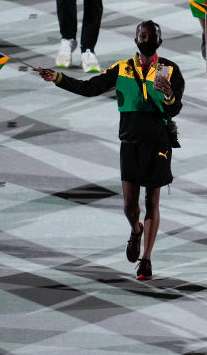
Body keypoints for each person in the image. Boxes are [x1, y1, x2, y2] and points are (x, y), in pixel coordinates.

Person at [35, 21, 184, 281]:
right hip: (130, 144)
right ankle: (135, 229)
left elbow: (175, 109)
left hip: (158, 143)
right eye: (143, 35)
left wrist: (170, 95)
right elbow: (89, 88)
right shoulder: (122, 68)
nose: (147, 39)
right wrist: (58, 78)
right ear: (136, 38)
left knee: (152, 202)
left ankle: (146, 259)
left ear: (160, 40)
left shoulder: (170, 70)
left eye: (152, 36)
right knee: (129, 205)